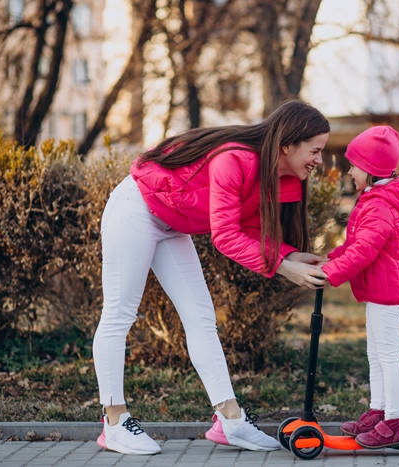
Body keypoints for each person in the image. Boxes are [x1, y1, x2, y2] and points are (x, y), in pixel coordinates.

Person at [92, 100, 330, 455]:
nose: (320, 160)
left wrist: (291, 256)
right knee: (119, 313)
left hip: (172, 225)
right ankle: (114, 422)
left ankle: (230, 420)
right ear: (287, 145)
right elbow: (225, 237)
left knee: (201, 316)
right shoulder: (234, 159)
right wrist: (282, 266)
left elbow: (250, 229)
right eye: (316, 150)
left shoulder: (275, 177)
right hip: (137, 208)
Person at [321, 126, 399, 449]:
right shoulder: (373, 199)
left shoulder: (378, 204)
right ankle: (379, 410)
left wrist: (331, 273)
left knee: (387, 355)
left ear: (370, 170)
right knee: (375, 354)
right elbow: (355, 243)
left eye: (354, 165)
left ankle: (393, 422)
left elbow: (364, 250)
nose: (349, 171)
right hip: (379, 290)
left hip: (387, 292)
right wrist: (327, 260)